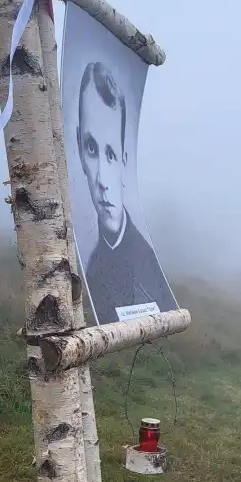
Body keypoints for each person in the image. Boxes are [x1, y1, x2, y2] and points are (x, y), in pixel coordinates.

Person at [77, 61, 176, 324]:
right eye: (91, 148)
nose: (101, 179)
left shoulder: (146, 263)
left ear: (124, 159)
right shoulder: (88, 262)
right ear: (78, 149)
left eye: (110, 154)